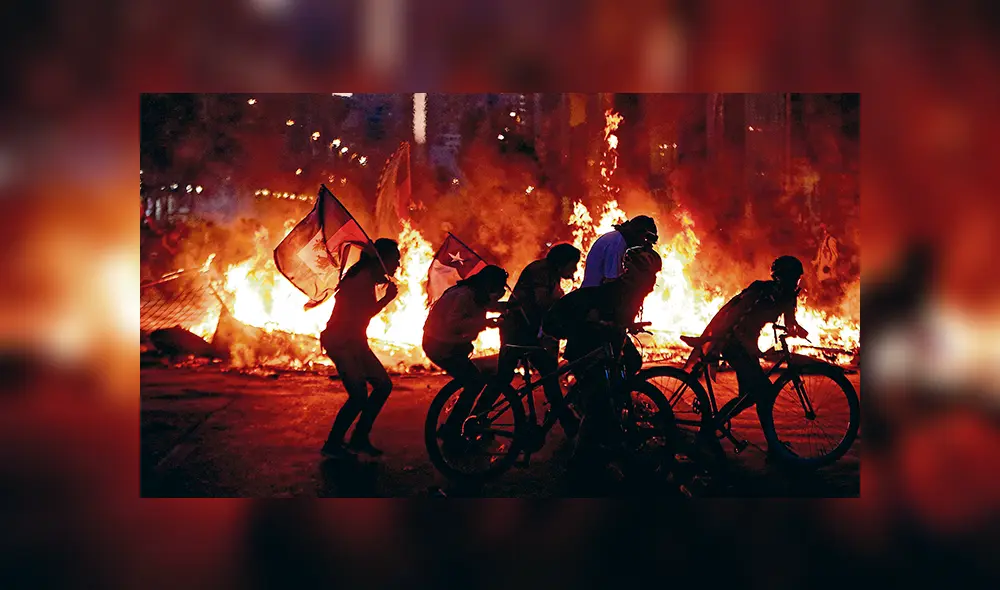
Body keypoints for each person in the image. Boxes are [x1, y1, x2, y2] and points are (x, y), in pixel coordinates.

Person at [543, 246, 663, 454]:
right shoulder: (618, 292)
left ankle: (604, 405)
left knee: (632, 361)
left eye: (654, 275)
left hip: (601, 336)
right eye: (648, 275)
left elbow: (618, 323)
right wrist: (604, 324)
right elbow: (599, 320)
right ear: (634, 272)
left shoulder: (633, 289)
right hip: (583, 338)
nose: (652, 281)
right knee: (598, 402)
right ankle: (580, 458)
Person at [480, 243, 582, 436]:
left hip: (529, 331)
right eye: (573, 265)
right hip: (517, 330)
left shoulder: (551, 273)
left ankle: (568, 422)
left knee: (548, 376)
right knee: (506, 377)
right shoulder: (540, 271)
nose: (575, 270)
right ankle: (475, 418)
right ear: (562, 263)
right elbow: (542, 302)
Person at [690, 255, 810, 411]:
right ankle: (715, 423)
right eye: (793, 278)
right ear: (782, 277)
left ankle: (717, 421)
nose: (795, 283)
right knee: (763, 392)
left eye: (797, 279)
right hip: (733, 343)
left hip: (747, 345)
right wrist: (716, 340)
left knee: (750, 396)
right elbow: (735, 314)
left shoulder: (787, 297)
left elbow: (790, 322)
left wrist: (798, 330)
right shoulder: (761, 291)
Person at [320, 238, 402, 459]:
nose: (398, 265)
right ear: (381, 260)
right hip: (341, 342)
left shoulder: (367, 277)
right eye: (395, 260)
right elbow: (360, 315)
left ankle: (359, 438)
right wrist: (386, 300)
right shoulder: (361, 279)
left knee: (383, 385)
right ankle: (332, 444)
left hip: (354, 340)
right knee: (358, 395)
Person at [422, 265, 509, 439]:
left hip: (447, 344)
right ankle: (452, 429)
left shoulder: (474, 292)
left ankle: (459, 425)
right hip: (440, 346)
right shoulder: (464, 295)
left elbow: (489, 305)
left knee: (476, 378)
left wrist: (508, 306)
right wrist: (485, 323)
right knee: (474, 382)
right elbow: (453, 323)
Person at [581, 215, 658, 288]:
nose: (643, 245)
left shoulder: (618, 240)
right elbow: (611, 283)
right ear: (640, 233)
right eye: (646, 240)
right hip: (594, 293)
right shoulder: (616, 245)